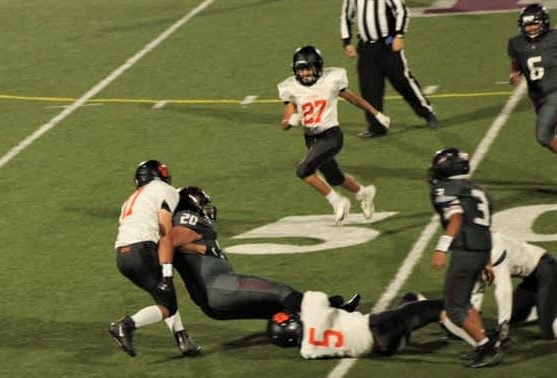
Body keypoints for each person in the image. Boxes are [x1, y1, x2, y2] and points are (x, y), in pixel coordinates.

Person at [169, 186, 361, 321]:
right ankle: (330, 318)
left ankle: (327, 311)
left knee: (280, 306)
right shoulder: (186, 218)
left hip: (212, 298)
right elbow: (170, 241)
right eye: (202, 204)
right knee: (281, 292)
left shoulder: (182, 223)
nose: (206, 209)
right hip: (219, 286)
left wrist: (195, 249)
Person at [277, 45, 385, 225]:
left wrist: (376, 113)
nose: (304, 73)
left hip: (331, 136)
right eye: (300, 70)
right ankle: (364, 192)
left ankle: (338, 201)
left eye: (307, 68)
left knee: (303, 170)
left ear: (317, 67)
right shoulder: (291, 88)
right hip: (311, 139)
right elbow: (284, 122)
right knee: (335, 178)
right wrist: (289, 122)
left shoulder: (331, 80)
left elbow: (353, 98)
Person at [108, 160, 200, 358]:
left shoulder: (131, 199)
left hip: (123, 256)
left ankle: (183, 339)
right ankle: (125, 325)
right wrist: (167, 272)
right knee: (167, 305)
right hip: (142, 250)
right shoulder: (164, 190)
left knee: (163, 296)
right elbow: (165, 229)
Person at [427, 147, 502, 368]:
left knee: (454, 307)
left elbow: (456, 218)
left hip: (466, 252)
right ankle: (484, 347)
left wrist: (441, 248)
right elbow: (484, 227)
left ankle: (487, 348)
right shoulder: (478, 190)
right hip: (481, 249)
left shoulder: (446, 188)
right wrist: (486, 260)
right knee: (465, 302)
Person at [340, 0, 437, 138]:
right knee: (369, 88)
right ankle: (377, 126)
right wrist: (347, 42)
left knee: (402, 81)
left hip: (388, 45)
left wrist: (399, 35)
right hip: (366, 48)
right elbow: (346, 16)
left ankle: (427, 113)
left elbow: (402, 11)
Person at [267, 290, 445, 359]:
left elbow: (326, 324)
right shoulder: (312, 313)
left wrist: (342, 311)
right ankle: (463, 323)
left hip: (380, 350)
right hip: (378, 328)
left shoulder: (307, 352)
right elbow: (332, 299)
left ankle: (439, 318)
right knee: (441, 306)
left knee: (410, 301)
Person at [469, 230, 557, 340]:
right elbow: (477, 286)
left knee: (548, 333)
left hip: (547, 272)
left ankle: (548, 308)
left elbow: (504, 289)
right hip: (530, 281)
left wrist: (503, 324)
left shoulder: (495, 250)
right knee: (514, 318)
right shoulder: (476, 249)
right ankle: (543, 305)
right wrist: (472, 315)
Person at [507, 3, 557, 153]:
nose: (531, 28)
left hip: (554, 92)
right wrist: (514, 76)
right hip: (538, 97)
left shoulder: (554, 38)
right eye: (527, 25)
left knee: (543, 136)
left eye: (534, 24)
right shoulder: (516, 44)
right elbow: (516, 66)